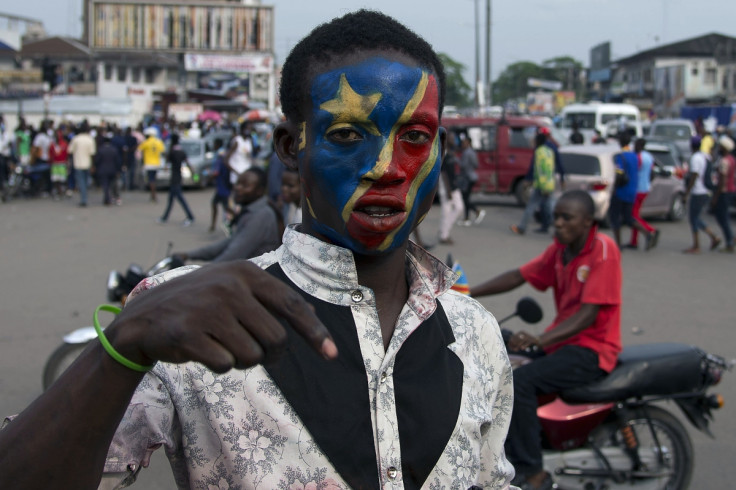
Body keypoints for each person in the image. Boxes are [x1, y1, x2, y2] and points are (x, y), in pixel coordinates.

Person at [0, 10, 516, 489]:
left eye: (415, 136)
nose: (386, 166)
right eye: (347, 133)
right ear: (292, 146)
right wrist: (122, 346)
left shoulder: (474, 331)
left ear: (441, 148)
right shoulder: (192, 321)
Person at [471, 190, 622, 490]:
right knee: (503, 357)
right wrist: (466, 293)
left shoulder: (602, 250)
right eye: (556, 216)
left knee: (521, 382)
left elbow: (588, 315)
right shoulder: (559, 251)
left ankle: (534, 472)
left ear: (587, 222)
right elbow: (519, 275)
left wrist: (540, 339)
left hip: (592, 349)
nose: (558, 223)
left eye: (567, 218)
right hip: (562, 343)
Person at [174, 167, 280, 262]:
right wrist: (189, 255)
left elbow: (233, 254)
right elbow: (229, 243)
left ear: (259, 191)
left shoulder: (261, 216)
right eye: (238, 183)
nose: (238, 188)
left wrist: (199, 274)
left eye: (245, 186)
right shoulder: (251, 210)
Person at [609, 133, 655, 250]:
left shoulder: (620, 157)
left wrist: (614, 188)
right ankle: (647, 233)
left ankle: (618, 244)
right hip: (632, 190)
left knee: (615, 219)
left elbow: (619, 174)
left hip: (621, 191)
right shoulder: (635, 156)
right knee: (629, 218)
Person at [511, 132, 557, 235]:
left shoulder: (538, 152)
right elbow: (551, 168)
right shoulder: (550, 151)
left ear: (538, 141)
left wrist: (529, 180)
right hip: (549, 183)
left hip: (541, 184)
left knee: (531, 206)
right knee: (550, 207)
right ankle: (558, 230)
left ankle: (522, 227)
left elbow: (536, 168)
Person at [682, 136, 721, 253]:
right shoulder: (705, 156)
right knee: (695, 217)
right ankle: (712, 237)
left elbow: (694, 175)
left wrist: (686, 193)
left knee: (693, 218)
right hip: (706, 190)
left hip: (698, 191)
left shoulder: (695, 158)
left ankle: (697, 245)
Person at [626, 138, 659, 249]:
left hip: (637, 189)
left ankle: (651, 230)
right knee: (635, 214)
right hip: (645, 188)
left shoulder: (638, 157)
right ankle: (634, 241)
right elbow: (652, 173)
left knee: (633, 216)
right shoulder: (649, 156)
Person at [157, 133, 195, 226]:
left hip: (174, 178)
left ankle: (190, 216)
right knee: (171, 199)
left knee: (179, 199)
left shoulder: (172, 152)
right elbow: (188, 163)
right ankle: (165, 217)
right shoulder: (181, 151)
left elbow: (166, 165)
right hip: (178, 176)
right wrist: (194, 174)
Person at [709, 136, 735, 253]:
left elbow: (722, 181)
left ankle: (730, 241)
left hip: (724, 192)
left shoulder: (724, 161)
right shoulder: (731, 159)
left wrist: (715, 197)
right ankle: (731, 238)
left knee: (722, 217)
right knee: (724, 216)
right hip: (730, 190)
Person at [438, 132, 464, 244]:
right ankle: (444, 236)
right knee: (446, 211)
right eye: (452, 138)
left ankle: (444, 230)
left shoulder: (452, 153)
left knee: (459, 208)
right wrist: (448, 190)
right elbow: (443, 173)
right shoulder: (443, 153)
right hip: (446, 188)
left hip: (454, 186)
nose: (454, 140)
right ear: (447, 140)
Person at [457, 133, 485, 225]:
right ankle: (467, 218)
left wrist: (455, 159)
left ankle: (477, 211)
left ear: (468, 143)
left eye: (464, 142)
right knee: (466, 198)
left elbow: (463, 165)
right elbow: (476, 164)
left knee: (465, 199)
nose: (462, 144)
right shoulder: (472, 152)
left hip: (467, 178)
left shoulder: (466, 152)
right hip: (472, 176)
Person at [208, 138, 234, 232]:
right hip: (224, 185)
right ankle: (214, 225)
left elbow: (216, 172)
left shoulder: (220, 156)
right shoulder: (224, 155)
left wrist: (209, 178)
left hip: (221, 187)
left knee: (225, 207)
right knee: (221, 205)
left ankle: (235, 220)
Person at [67, 122, 96, 207]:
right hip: (87, 164)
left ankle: (84, 199)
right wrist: (93, 165)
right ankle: (84, 198)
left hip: (78, 164)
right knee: (86, 182)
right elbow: (92, 154)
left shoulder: (76, 139)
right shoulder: (90, 139)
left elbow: (70, 151)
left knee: (81, 183)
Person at [137, 127, 165, 203]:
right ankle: (153, 195)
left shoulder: (146, 142)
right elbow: (163, 151)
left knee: (151, 180)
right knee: (154, 179)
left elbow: (139, 150)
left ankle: (153, 195)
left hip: (149, 164)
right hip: (157, 163)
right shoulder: (159, 142)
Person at [225, 121, 254, 186]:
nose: (248, 130)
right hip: (237, 173)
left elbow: (249, 157)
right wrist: (235, 172)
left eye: (250, 129)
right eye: (247, 128)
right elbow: (226, 160)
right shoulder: (237, 141)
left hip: (246, 172)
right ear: (242, 129)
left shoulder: (249, 141)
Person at [48, 129, 69, 200]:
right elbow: (50, 155)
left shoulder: (64, 144)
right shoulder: (52, 145)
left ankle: (64, 191)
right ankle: (58, 191)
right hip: (55, 164)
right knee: (55, 179)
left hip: (62, 164)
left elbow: (66, 154)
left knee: (62, 179)